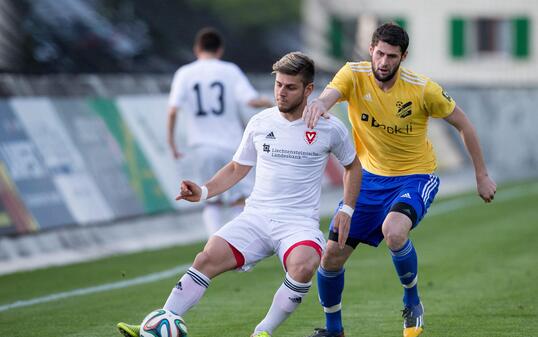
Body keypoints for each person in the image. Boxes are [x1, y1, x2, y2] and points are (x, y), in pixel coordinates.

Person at [117, 51, 362, 337]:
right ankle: (161, 321)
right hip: (255, 218)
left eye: (290, 87)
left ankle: (262, 332)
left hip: (297, 223)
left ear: (308, 90)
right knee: (207, 257)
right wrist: (205, 190)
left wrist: (347, 209)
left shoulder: (330, 127)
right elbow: (236, 168)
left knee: (305, 264)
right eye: (278, 85)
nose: (281, 93)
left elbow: (352, 167)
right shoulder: (260, 122)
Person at [302, 23, 497, 337]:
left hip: (414, 177)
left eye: (391, 56)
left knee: (393, 231)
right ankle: (334, 330)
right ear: (371, 50)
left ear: (403, 56)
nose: (383, 62)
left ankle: (412, 301)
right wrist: (319, 106)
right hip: (367, 181)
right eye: (379, 53)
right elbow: (328, 97)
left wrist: (482, 175)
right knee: (331, 255)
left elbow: (464, 125)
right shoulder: (352, 74)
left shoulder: (422, 89)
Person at [167, 27, 273, 235]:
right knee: (239, 199)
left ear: (197, 48)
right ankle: (239, 247)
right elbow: (250, 100)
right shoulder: (229, 70)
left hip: (201, 146)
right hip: (231, 145)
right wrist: (269, 102)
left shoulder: (184, 73)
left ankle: (213, 245)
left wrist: (171, 143)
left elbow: (172, 111)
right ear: (220, 50)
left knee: (209, 200)